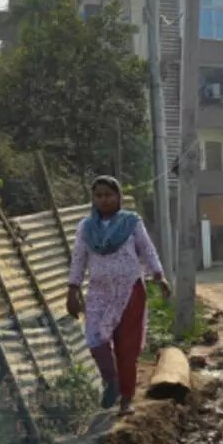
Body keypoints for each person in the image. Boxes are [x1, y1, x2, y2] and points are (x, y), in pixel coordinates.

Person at [66, 176, 172, 415]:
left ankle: (126, 399)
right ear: (93, 199)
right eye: (99, 195)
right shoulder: (86, 228)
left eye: (109, 195)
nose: (104, 200)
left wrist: (159, 277)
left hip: (129, 291)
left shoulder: (131, 223)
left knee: (126, 348)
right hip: (99, 292)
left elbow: (147, 250)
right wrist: (72, 289)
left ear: (118, 197)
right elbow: (79, 259)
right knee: (94, 338)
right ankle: (110, 380)